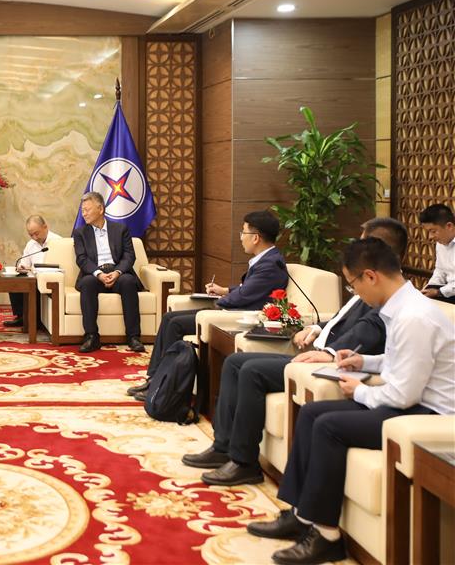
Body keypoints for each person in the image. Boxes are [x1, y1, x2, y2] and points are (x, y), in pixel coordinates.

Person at [246, 237, 453, 565]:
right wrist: (363, 362)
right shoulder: (403, 308)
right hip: (412, 402)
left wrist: (358, 391)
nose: (355, 292)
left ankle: (326, 536)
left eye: (353, 284)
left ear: (371, 276)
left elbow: (403, 395)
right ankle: (300, 515)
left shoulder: (414, 317)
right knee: (312, 413)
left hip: (427, 413)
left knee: (329, 426)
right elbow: (398, 361)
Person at [183, 217, 407, 486]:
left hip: (329, 364)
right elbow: (341, 319)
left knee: (252, 371)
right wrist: (316, 328)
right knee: (235, 363)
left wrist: (330, 352)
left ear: (378, 249)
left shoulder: (387, 294)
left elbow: (367, 330)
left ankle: (244, 463)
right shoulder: (371, 284)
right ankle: (223, 447)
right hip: (316, 352)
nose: (356, 249)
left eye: (362, 243)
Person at [130, 210, 288, 399]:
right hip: (234, 310)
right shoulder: (266, 259)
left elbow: (244, 295)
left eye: (243, 232)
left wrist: (218, 302)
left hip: (240, 316)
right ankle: (154, 380)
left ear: (255, 238)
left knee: (175, 323)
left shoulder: (270, 264)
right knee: (169, 318)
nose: (240, 238)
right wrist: (224, 290)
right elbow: (249, 288)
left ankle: (161, 386)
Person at [73, 191, 145, 353]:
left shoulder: (120, 229)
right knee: (87, 283)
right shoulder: (80, 233)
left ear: (100, 209)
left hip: (117, 272)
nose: (84, 214)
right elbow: (82, 259)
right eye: (82, 210)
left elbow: (129, 255)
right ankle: (91, 337)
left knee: (128, 281)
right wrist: (99, 274)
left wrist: (118, 272)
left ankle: (133, 337)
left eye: (87, 210)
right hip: (94, 274)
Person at [4, 215, 61, 328]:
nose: (34, 237)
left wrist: (34, 269)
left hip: (51, 279)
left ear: (45, 227)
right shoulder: (31, 244)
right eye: (31, 235)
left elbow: (60, 266)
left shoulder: (58, 242)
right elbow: (24, 263)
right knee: (15, 281)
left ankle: (35, 320)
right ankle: (21, 317)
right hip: (34, 278)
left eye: (36, 233)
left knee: (34, 285)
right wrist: (22, 267)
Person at [419, 203, 455, 304]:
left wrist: (438, 292)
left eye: (433, 231)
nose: (430, 237)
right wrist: (429, 288)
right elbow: (440, 270)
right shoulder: (440, 243)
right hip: (447, 292)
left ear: (449, 226)